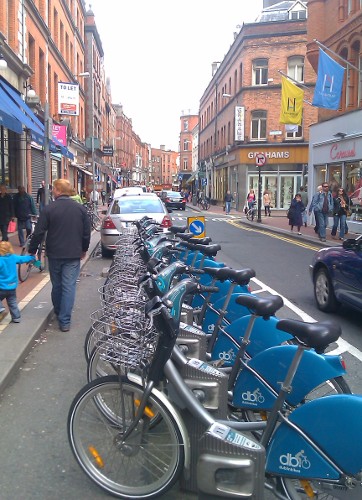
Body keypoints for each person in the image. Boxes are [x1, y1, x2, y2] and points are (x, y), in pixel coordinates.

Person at [28, 179, 91, 332]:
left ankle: (58, 311)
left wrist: (32, 249)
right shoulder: (80, 209)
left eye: (54, 189)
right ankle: (65, 321)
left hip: (54, 253)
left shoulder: (49, 209)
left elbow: (39, 232)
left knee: (57, 285)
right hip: (73, 253)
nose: (52, 191)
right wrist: (84, 249)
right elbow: (86, 233)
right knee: (69, 286)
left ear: (58, 190)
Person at [0, 241, 36, 323]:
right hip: (12, 286)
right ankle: (16, 317)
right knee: (12, 303)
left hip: (1, 286)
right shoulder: (13, 257)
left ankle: (1, 309)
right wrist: (31, 258)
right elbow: (22, 259)